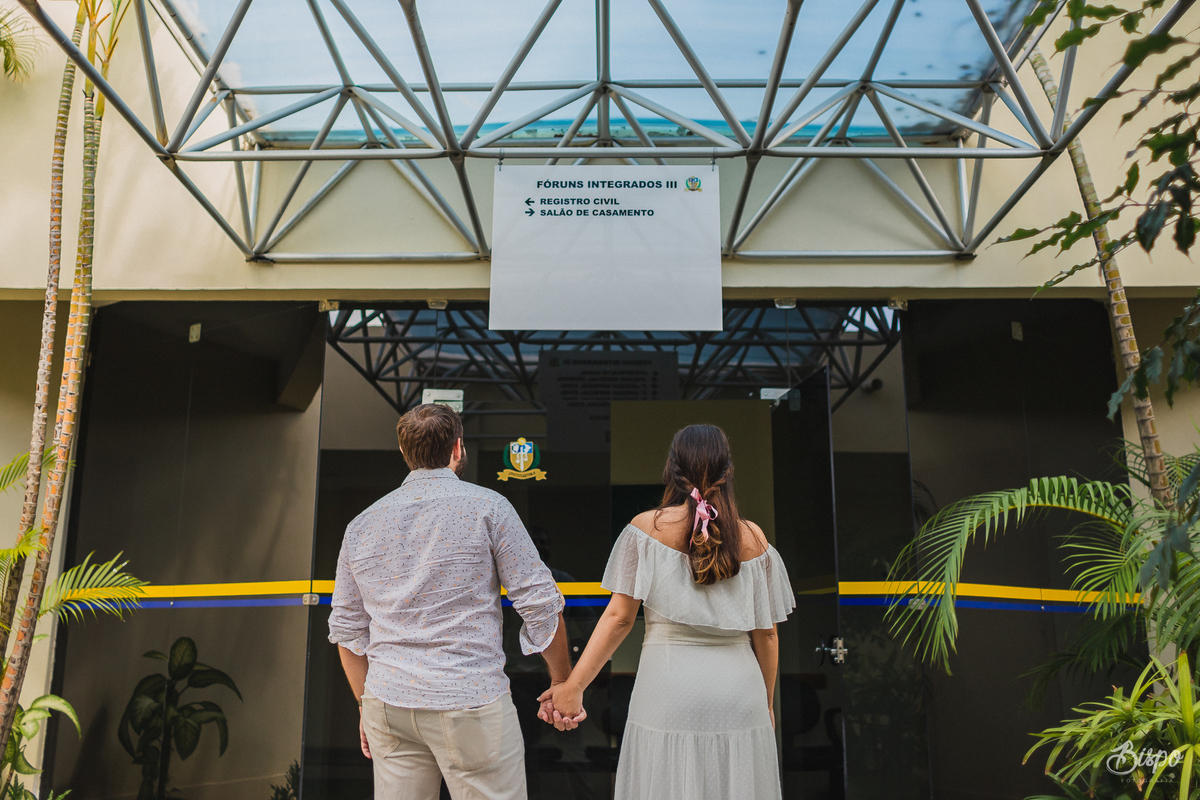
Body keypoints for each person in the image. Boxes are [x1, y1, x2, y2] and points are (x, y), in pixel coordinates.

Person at [328, 403, 581, 800]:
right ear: (458, 448)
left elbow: (346, 630)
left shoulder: (360, 526)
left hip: (388, 703)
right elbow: (540, 605)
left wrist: (365, 703)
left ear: (404, 452)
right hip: (469, 698)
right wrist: (563, 680)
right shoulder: (489, 508)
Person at [538, 424, 795, 800]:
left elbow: (619, 619)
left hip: (668, 690)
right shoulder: (755, 539)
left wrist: (573, 686)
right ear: (728, 472)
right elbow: (768, 635)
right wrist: (766, 703)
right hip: (741, 695)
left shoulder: (646, 529)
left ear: (671, 470)